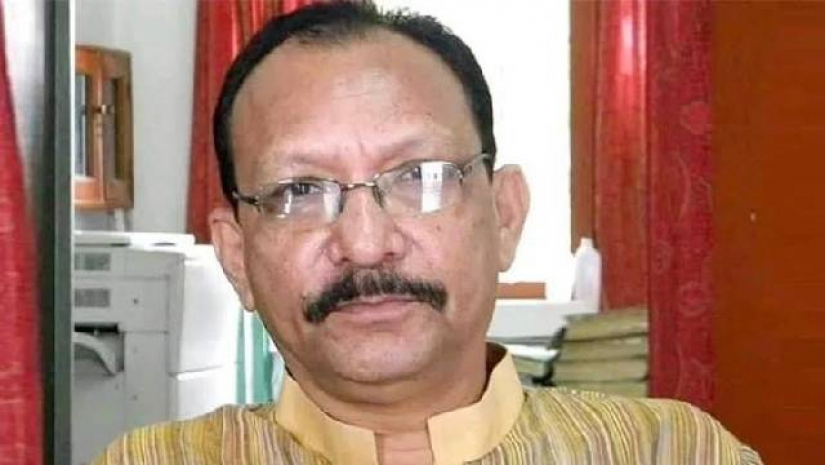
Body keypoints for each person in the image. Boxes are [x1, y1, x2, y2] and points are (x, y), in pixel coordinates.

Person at [96, 2, 761, 464]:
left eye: (420, 177)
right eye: (300, 191)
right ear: (236, 256)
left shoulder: (672, 451)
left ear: (504, 215)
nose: (365, 243)